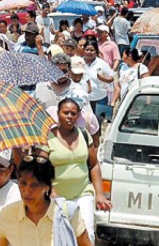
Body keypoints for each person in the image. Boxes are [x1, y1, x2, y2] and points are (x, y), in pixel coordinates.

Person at [0, 149, 92, 246]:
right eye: (23, 183)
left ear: (47, 186)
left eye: (34, 185)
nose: (27, 190)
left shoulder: (67, 213)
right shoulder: (9, 214)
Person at [48, 98, 112, 242]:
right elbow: (40, 169)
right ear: (58, 114)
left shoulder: (84, 134)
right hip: (56, 197)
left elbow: (94, 164)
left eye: (73, 113)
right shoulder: (48, 137)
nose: (69, 117)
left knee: (87, 234)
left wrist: (100, 194)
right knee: (58, 238)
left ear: (78, 116)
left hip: (83, 193)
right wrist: (50, 191)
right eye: (66, 113)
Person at [82, 40, 114, 113]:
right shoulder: (79, 63)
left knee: (98, 121)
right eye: (87, 50)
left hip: (100, 98)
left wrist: (103, 79)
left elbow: (111, 78)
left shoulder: (102, 63)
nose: (89, 52)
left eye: (92, 50)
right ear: (83, 50)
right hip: (84, 98)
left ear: (96, 51)